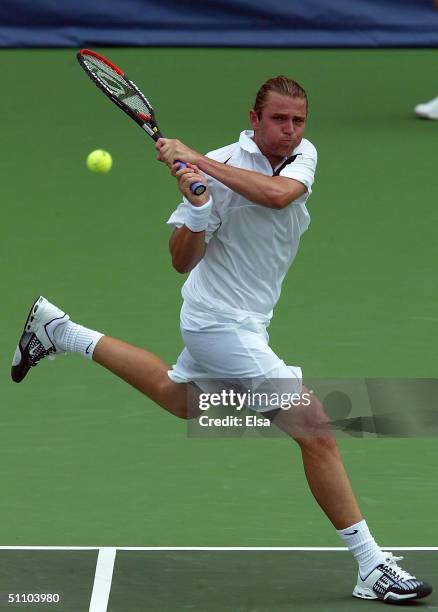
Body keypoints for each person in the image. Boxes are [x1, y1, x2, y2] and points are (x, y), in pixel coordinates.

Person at [11, 76, 432, 604]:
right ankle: (371, 565)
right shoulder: (218, 163)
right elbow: (180, 261)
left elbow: (279, 198)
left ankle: (60, 330)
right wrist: (197, 206)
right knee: (316, 428)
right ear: (254, 119)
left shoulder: (299, 158)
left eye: (298, 121)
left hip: (250, 320)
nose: (290, 130)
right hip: (215, 321)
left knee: (181, 401)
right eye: (279, 120)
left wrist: (197, 165)